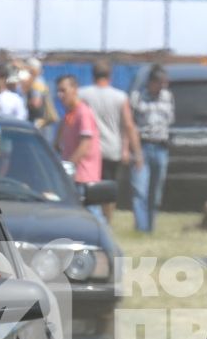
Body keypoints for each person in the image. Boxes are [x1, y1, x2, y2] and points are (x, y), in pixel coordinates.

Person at [77, 61, 137, 223]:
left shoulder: (83, 94)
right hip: (112, 148)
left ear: (93, 75)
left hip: (89, 149)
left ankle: (89, 220)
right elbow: (127, 124)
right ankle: (107, 221)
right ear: (110, 76)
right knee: (109, 190)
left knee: (89, 187)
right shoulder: (120, 96)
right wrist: (127, 149)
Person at [130, 63, 175, 233]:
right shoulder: (138, 97)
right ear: (151, 82)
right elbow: (131, 124)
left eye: (165, 83)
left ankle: (150, 226)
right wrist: (133, 150)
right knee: (140, 190)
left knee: (155, 192)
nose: (163, 86)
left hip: (161, 148)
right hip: (142, 147)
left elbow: (170, 120)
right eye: (160, 82)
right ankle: (141, 228)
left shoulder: (168, 97)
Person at [55, 74, 103, 213]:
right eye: (58, 91)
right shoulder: (69, 114)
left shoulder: (83, 112)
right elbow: (58, 144)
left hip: (84, 177)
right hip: (74, 177)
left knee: (92, 217)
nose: (60, 95)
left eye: (63, 90)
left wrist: (67, 167)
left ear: (75, 89)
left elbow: (84, 145)